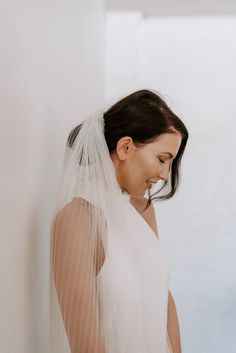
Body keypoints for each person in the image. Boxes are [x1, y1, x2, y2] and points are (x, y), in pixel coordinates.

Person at [49, 89, 189, 353]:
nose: (164, 175)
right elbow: (86, 346)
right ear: (125, 147)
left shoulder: (142, 209)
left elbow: (163, 297)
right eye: (161, 160)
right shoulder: (76, 221)